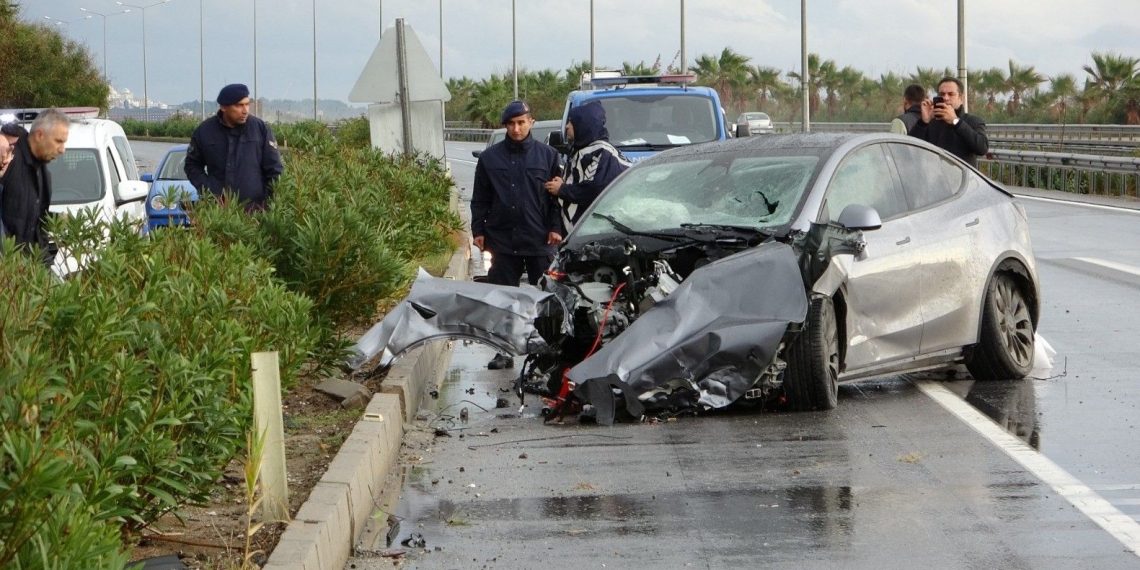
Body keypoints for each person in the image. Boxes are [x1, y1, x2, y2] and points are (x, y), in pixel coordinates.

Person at [471, 100, 563, 370]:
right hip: (502, 240)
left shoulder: (548, 156)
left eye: (521, 122)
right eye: (511, 124)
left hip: (539, 240)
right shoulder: (490, 159)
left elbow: (555, 200)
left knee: (545, 298)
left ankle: (548, 352)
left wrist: (556, 228)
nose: (516, 128)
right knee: (503, 299)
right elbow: (480, 199)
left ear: (531, 122)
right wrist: (478, 231)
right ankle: (503, 350)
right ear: (505, 126)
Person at [185, 83, 283, 212]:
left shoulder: (260, 129)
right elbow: (192, 165)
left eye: (247, 104)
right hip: (218, 213)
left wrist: (269, 202)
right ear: (224, 107)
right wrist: (210, 190)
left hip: (256, 212)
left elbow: (275, 169)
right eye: (239, 105)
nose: (245, 110)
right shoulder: (204, 132)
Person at [543, 101, 631, 230]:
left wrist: (562, 189)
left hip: (600, 230)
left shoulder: (601, 152)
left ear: (583, 125)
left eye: (571, 122)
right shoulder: (585, 150)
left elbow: (597, 191)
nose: (566, 127)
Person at [0, 109, 69, 265]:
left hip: (31, 271)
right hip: (8, 271)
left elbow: (36, 229)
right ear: (39, 135)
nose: (62, 149)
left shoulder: (44, 173)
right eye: (59, 141)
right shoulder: (7, 159)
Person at [911, 77, 989, 167]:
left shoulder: (972, 121)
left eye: (951, 94)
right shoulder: (932, 123)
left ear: (961, 98)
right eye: (942, 94)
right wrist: (923, 122)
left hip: (961, 178)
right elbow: (910, 148)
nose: (946, 98)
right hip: (934, 177)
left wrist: (955, 121)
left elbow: (982, 148)